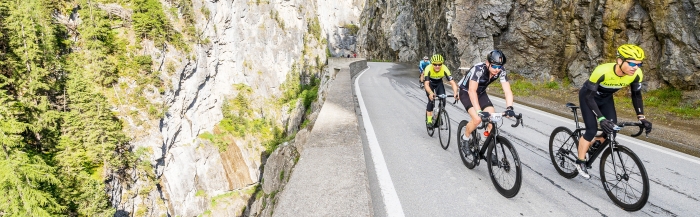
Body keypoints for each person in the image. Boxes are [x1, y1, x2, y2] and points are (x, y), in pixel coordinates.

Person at [574, 44, 653, 179]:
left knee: (613, 129)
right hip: (589, 97)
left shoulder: (636, 74)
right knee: (591, 130)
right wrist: (601, 118)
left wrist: (642, 118)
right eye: (632, 64)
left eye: (639, 65)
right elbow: (589, 97)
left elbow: (636, 95)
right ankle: (580, 161)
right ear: (619, 61)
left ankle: (593, 145)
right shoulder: (602, 71)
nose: (635, 68)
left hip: (606, 99)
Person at [457, 50, 515, 148]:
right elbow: (472, 91)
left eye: (499, 67)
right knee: (477, 119)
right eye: (494, 66)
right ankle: (465, 138)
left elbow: (507, 91)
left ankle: (483, 142)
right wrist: (479, 111)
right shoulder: (479, 69)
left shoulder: (501, 70)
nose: (497, 69)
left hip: (481, 93)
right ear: (487, 63)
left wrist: (510, 108)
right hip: (466, 92)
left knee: (492, 120)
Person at [423, 54, 459, 126]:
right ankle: (429, 121)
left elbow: (452, 83)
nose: (437, 66)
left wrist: (455, 92)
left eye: (439, 64)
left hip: (439, 83)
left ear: (442, 64)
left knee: (443, 100)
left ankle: (439, 116)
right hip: (430, 83)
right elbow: (426, 84)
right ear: (432, 64)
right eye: (435, 64)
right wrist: (430, 92)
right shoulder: (428, 69)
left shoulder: (444, 68)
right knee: (431, 101)